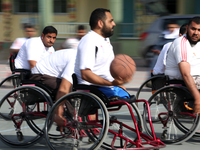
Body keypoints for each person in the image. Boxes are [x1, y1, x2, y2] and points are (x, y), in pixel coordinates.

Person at [74, 8, 132, 99]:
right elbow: (85, 74)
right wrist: (111, 83)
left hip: (106, 87)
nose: (114, 24)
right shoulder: (89, 41)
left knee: (134, 99)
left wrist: (117, 84)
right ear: (100, 23)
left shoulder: (105, 39)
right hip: (92, 88)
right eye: (111, 21)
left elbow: (106, 69)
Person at [165, 16, 200, 114]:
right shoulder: (181, 44)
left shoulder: (198, 43)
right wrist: (198, 98)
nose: (196, 33)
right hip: (180, 80)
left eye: (199, 30)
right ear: (188, 27)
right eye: (193, 29)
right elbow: (185, 74)